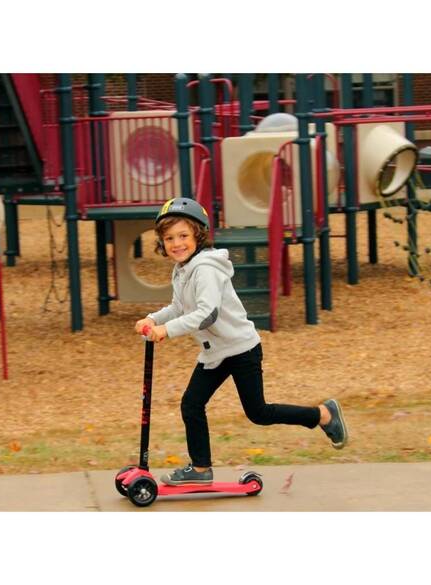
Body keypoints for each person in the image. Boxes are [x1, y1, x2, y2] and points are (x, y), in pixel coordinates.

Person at [134, 197, 349, 486]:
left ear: (198, 234)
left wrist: (167, 330)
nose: (177, 243)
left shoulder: (205, 268)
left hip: (240, 349)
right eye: (169, 238)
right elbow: (178, 307)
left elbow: (207, 314)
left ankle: (323, 415)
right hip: (216, 353)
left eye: (183, 235)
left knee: (258, 412)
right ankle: (200, 469)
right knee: (192, 404)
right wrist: (152, 319)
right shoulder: (183, 269)